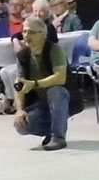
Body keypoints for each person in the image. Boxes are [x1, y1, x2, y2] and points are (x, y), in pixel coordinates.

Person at [12, 16, 69, 150]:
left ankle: (58, 137)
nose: (26, 36)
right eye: (24, 32)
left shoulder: (54, 49)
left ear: (43, 34)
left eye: (31, 32)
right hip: (40, 103)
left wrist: (34, 84)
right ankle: (51, 130)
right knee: (21, 127)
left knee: (55, 90)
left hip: (64, 98)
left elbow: (60, 78)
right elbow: (19, 85)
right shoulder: (22, 55)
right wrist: (19, 110)